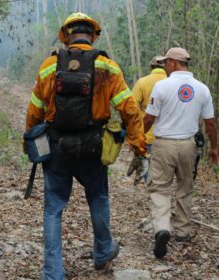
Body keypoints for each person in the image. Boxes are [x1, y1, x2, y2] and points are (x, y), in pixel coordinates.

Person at [25, 12, 148, 280]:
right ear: (92, 35)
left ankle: (53, 272)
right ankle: (103, 251)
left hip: (57, 146)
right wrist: (139, 147)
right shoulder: (107, 66)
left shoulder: (49, 66)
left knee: (53, 209)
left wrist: (30, 141)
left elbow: (35, 110)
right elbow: (129, 109)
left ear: (67, 35)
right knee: (98, 199)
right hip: (94, 146)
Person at [143, 47, 218, 259]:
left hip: (164, 144)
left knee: (159, 187)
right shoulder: (202, 89)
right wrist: (214, 147)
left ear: (174, 63)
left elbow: (149, 119)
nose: (163, 66)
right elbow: (210, 123)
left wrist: (139, 137)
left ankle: (162, 228)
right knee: (185, 185)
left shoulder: (162, 86)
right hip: (189, 145)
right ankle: (183, 231)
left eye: (165, 62)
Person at [131, 56, 167, 182]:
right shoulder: (172, 82)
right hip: (169, 136)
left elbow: (132, 108)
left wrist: (134, 134)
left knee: (149, 172)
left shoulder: (142, 82)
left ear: (150, 67)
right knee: (164, 173)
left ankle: (154, 196)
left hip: (147, 134)